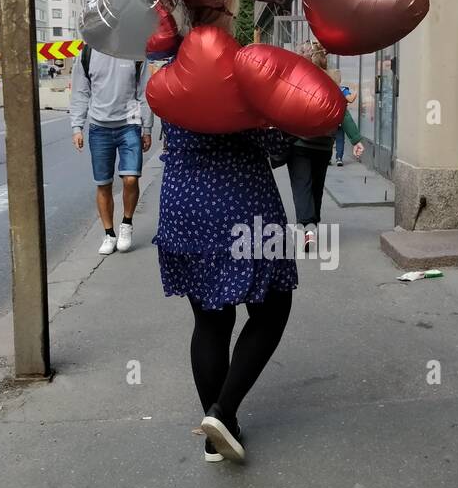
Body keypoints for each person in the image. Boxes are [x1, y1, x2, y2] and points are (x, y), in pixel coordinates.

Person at [155, 123, 298, 465]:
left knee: (209, 321)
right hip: (241, 201)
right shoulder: (245, 71)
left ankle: (217, 435)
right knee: (272, 308)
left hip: (184, 200)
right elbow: (274, 142)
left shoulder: (173, 71)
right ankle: (224, 412)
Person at [70, 45, 153, 254]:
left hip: (130, 125)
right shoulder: (87, 53)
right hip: (99, 128)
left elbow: (144, 92)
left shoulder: (134, 52)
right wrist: (77, 127)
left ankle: (126, 223)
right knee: (103, 184)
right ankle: (109, 234)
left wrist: (147, 128)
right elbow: (80, 92)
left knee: (131, 178)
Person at [287, 41, 364, 251]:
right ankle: (313, 224)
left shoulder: (295, 80)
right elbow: (342, 113)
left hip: (299, 142)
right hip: (323, 144)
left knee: (302, 185)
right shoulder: (331, 83)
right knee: (317, 186)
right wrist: (356, 139)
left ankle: (308, 227)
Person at [334, 83, 357, 166]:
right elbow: (350, 99)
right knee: (340, 139)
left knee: (329, 138)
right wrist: (355, 92)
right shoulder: (343, 90)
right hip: (340, 117)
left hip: (330, 118)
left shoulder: (327, 87)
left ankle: (328, 158)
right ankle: (339, 158)